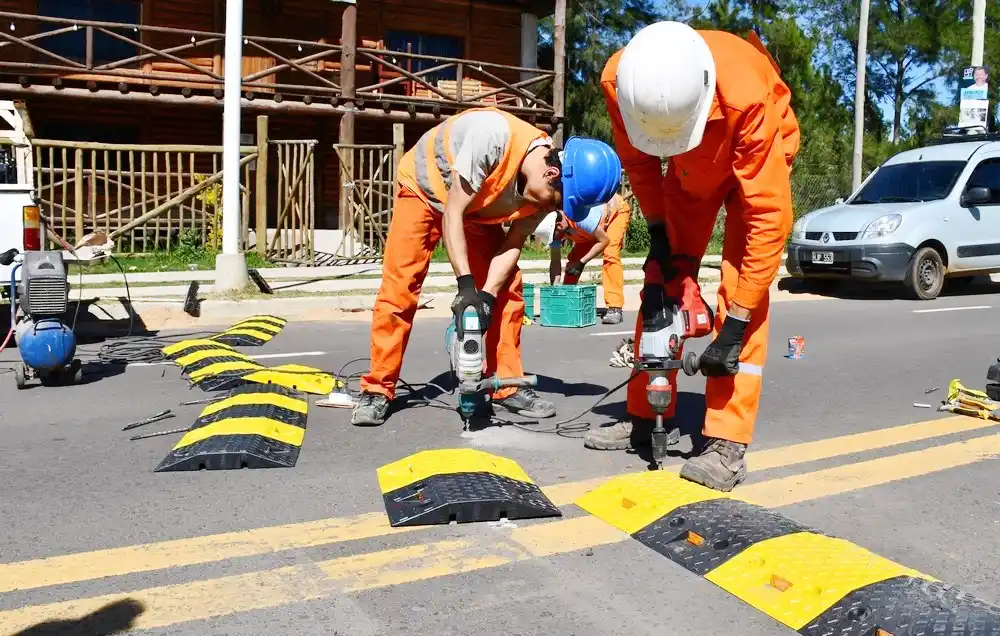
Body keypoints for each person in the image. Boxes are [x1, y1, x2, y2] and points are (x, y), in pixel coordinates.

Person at [583, 22, 800, 492]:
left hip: (756, 148)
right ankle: (644, 415)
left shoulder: (746, 93)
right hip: (689, 166)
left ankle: (727, 441)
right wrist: (660, 238)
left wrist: (734, 327)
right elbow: (641, 164)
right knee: (660, 282)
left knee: (743, 286)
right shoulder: (622, 81)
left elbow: (768, 221)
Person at [352, 106, 622, 426]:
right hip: (425, 189)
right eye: (556, 201)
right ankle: (378, 389)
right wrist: (467, 287)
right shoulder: (491, 137)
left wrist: (487, 297)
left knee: (509, 287)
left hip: (477, 206)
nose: (553, 209)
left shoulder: (544, 192)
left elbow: (513, 244)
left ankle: (505, 385)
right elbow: (453, 212)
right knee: (402, 284)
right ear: (551, 174)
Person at [534, 193, 632, 324]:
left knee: (610, 254)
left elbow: (604, 241)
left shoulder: (579, 217)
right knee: (573, 260)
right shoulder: (554, 230)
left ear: (559, 226)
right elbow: (555, 262)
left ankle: (615, 308)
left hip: (615, 214)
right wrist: (555, 291)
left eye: (555, 237)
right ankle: (567, 300)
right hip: (593, 229)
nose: (556, 240)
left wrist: (581, 262)